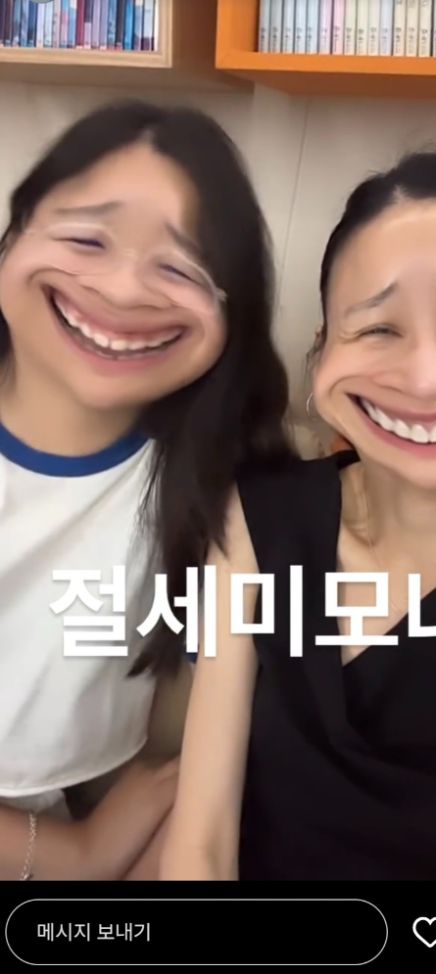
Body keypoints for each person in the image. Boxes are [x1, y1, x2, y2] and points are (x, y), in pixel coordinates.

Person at [161, 150, 436, 881]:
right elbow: (201, 843)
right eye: (377, 329)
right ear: (321, 355)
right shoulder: (260, 518)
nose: (425, 376)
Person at [0, 100, 292, 880]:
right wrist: (70, 855)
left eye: (181, 267)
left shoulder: (218, 491)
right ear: (15, 234)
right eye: (86, 239)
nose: (125, 289)